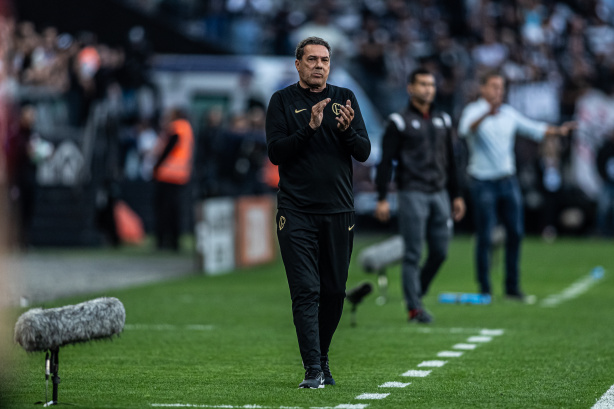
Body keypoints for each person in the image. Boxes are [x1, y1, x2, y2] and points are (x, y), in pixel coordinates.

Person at [265, 37, 370, 389]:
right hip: (296, 211)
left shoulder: (345, 99)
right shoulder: (282, 101)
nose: (319, 65)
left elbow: (364, 151)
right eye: (311, 59)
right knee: (306, 290)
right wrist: (309, 127)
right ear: (298, 64)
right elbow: (277, 153)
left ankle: (322, 357)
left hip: (339, 211)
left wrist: (345, 132)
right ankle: (313, 369)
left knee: (334, 292)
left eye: (324, 60)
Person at [458, 72, 575, 299]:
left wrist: (559, 131)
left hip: (507, 180)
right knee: (485, 235)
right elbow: (465, 130)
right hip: (482, 181)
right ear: (482, 89)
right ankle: (485, 287)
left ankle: (512, 287)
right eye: (493, 87)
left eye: (501, 87)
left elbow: (534, 128)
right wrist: (486, 114)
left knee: (516, 233)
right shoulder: (473, 111)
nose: (498, 92)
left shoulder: (508, 114)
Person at [374, 68, 466, 324]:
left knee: (440, 251)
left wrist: (456, 195)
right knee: (413, 252)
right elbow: (385, 163)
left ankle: (417, 291)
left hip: (440, 193)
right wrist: (382, 197)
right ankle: (414, 308)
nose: (428, 89)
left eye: (431, 85)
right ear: (410, 88)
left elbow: (452, 161)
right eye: (423, 84)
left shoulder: (443, 119)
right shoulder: (398, 121)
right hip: (412, 192)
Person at [152, 107, 194, 251]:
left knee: (164, 211)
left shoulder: (177, 128)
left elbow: (168, 149)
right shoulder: (187, 128)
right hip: (180, 176)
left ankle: (163, 240)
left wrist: (157, 166)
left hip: (167, 175)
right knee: (175, 210)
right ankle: (174, 241)